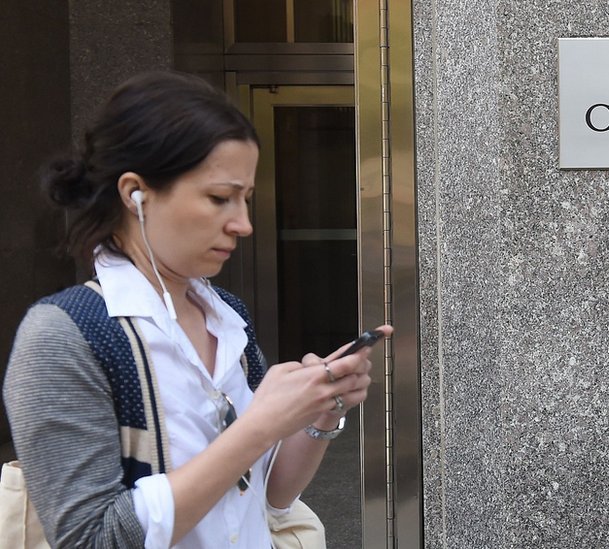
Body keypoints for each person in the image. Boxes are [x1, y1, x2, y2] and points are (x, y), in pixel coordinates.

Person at [2, 70, 391, 548]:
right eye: (218, 198)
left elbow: (269, 497)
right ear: (135, 194)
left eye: (246, 199)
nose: (243, 224)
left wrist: (320, 410)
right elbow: (91, 538)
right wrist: (259, 426)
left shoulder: (227, 314)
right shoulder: (63, 336)